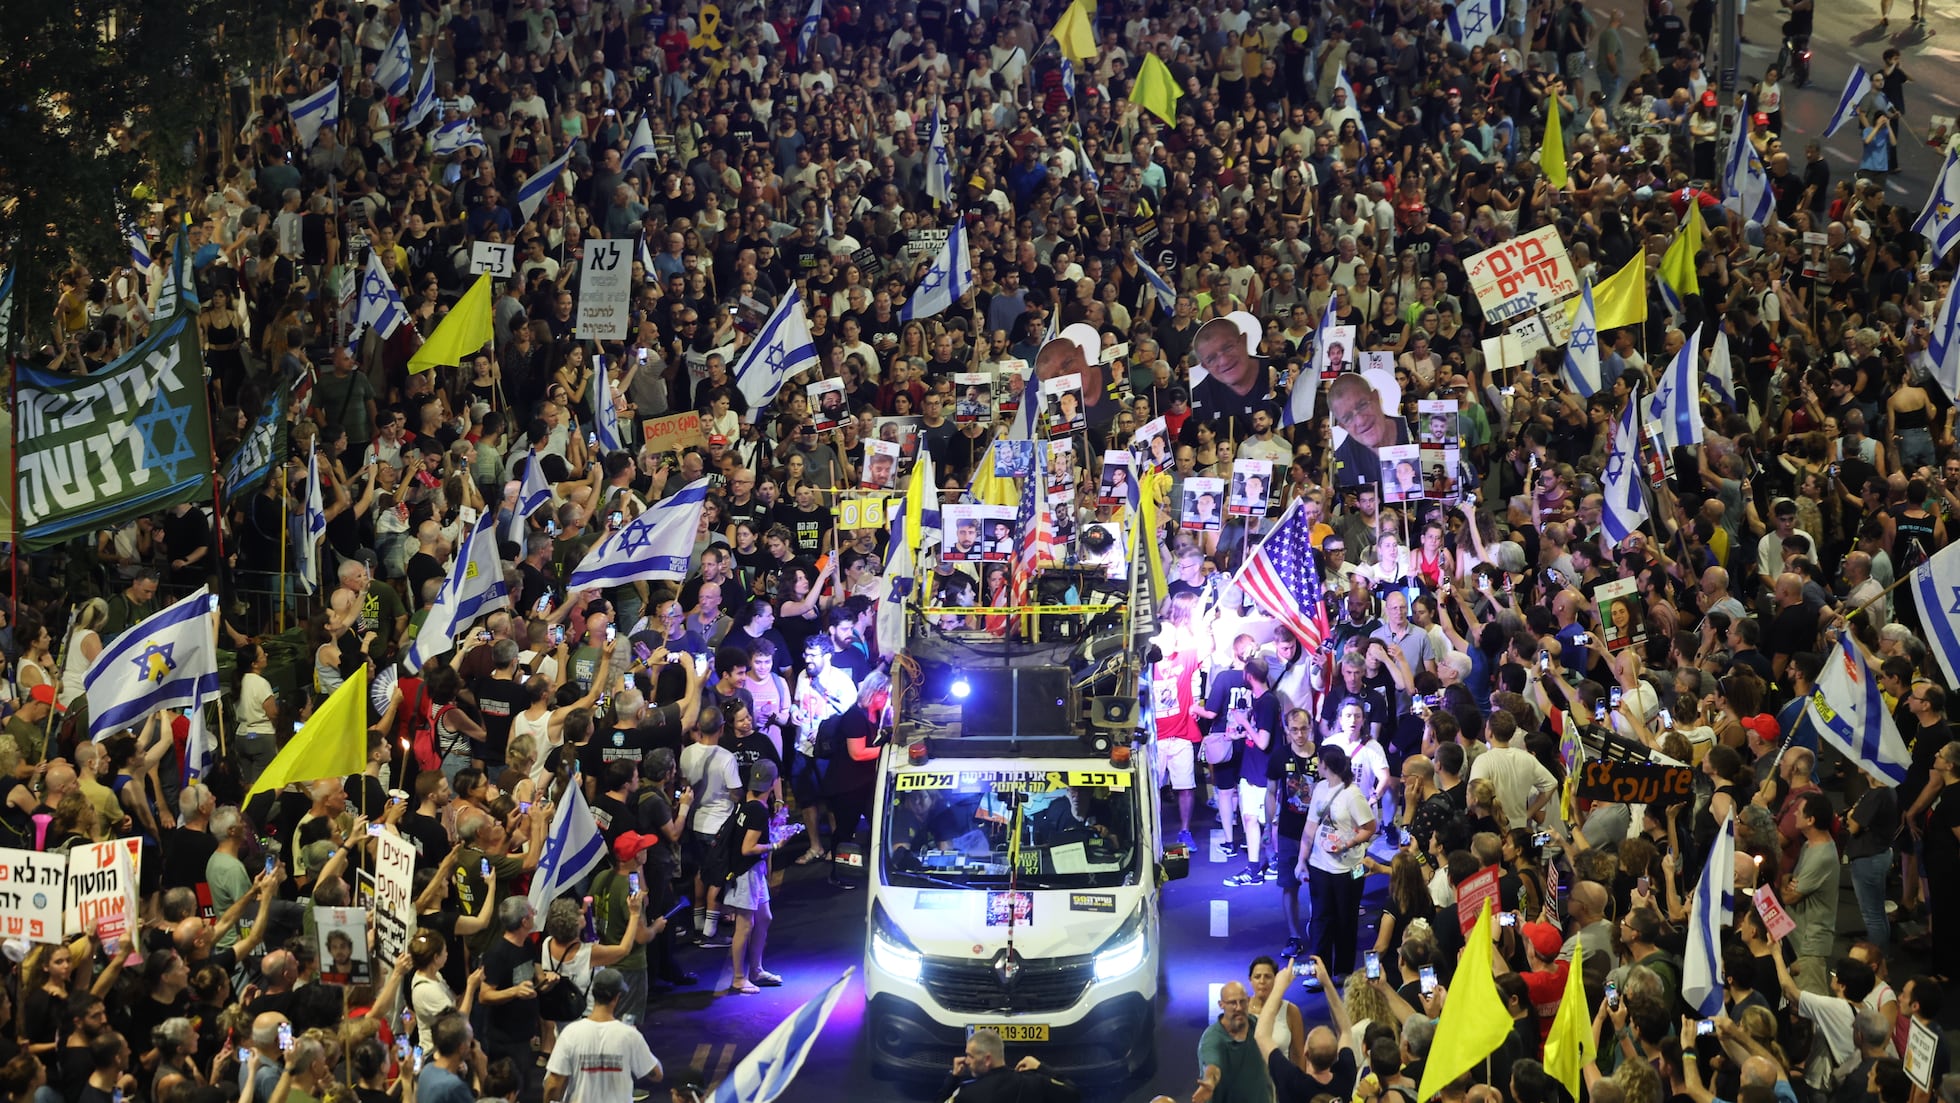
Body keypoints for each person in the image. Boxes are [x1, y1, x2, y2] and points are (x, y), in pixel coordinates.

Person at [541, 968, 662, 1103]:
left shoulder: (570, 1034)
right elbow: (656, 1074)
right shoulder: (629, 1035)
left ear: (593, 993)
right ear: (617, 997)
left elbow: (553, 1085)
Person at [1329, 374, 1410, 485]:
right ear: (1343, 427)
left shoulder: (1406, 429)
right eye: (1348, 418)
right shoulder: (1346, 455)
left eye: (1362, 405)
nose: (1360, 421)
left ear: (1376, 397)